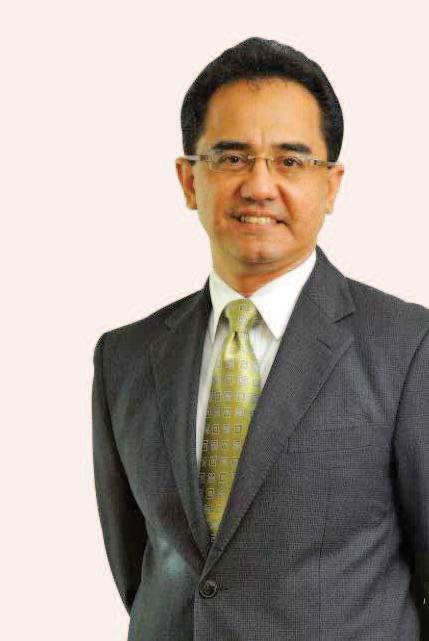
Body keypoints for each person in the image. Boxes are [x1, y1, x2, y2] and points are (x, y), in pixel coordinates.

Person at [92, 37, 429, 641]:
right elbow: (140, 567)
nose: (259, 185)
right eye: (232, 157)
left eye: (291, 161)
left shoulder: (408, 348)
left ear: (332, 186)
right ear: (189, 180)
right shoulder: (125, 356)